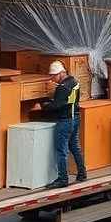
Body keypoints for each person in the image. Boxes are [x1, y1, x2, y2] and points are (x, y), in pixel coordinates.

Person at [41, 61, 87, 189]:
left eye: (54, 76)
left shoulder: (62, 87)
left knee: (62, 150)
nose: (52, 79)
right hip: (75, 118)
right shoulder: (74, 82)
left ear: (61, 73)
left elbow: (57, 105)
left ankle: (62, 179)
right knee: (75, 147)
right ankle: (82, 173)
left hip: (65, 121)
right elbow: (66, 101)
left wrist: (42, 106)